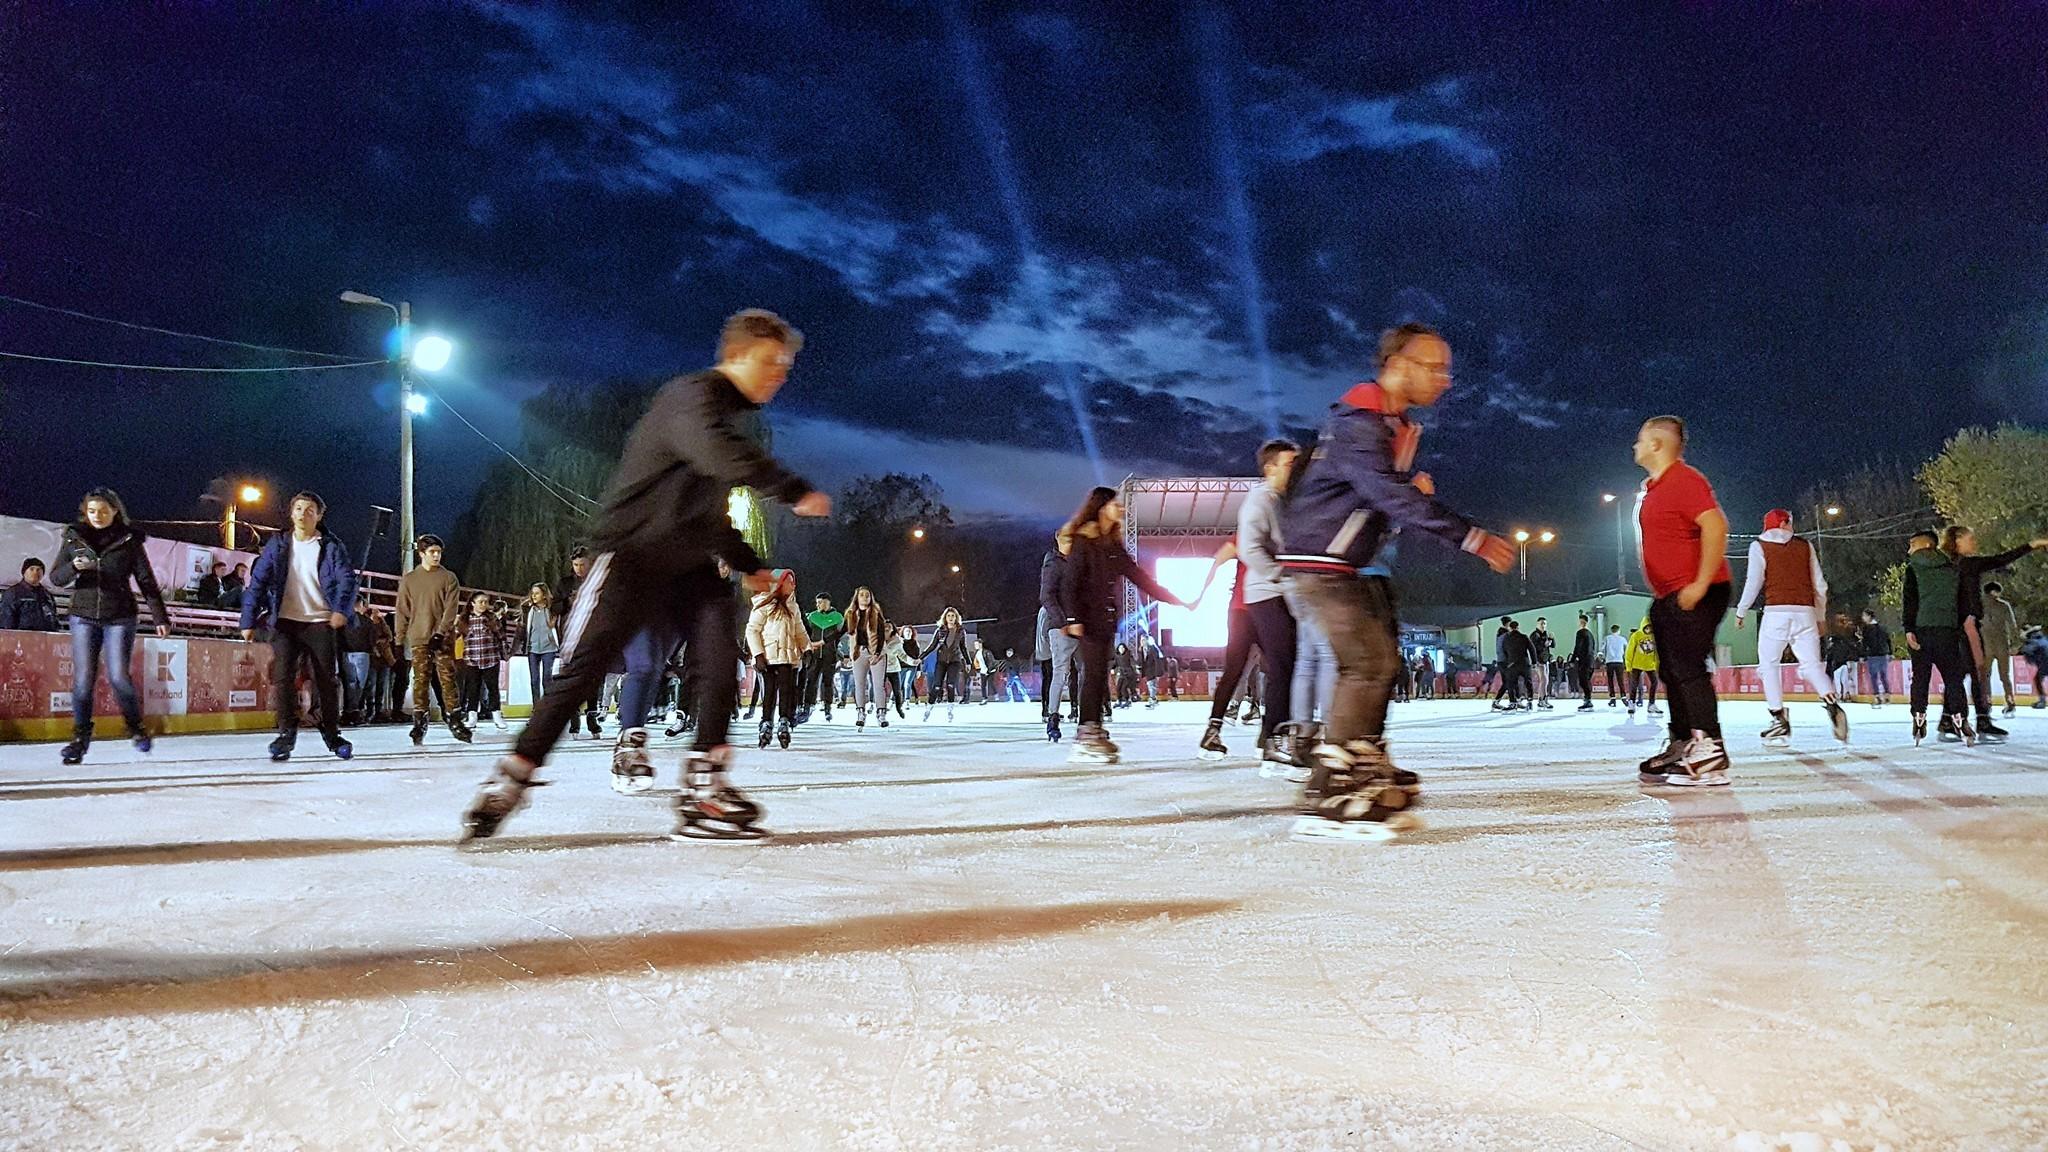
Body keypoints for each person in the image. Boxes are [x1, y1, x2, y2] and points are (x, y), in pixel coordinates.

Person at [463, 308, 830, 842]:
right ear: (739, 355)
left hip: (690, 566)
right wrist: (792, 488)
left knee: (720, 661)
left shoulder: (724, 417)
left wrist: (751, 566)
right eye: (773, 363)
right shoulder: (691, 398)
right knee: (584, 670)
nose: (780, 374)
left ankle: (705, 790)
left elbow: (706, 515)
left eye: (786, 367)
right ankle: (514, 774)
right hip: (631, 555)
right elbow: (717, 453)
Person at [1278, 322, 1514, 836]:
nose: (1445, 379)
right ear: (1396, 365)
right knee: (1365, 663)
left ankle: (1360, 761)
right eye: (1434, 367)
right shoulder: (1360, 422)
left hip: (1346, 561)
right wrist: (1467, 536)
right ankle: (1328, 790)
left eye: (1446, 369)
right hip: (1318, 561)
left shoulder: (1389, 424)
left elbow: (1378, 493)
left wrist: (1407, 486)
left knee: (1380, 662)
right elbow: (1383, 492)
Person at [1631, 416, 1733, 785]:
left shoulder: (1684, 480)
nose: (1635, 446)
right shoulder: (1655, 488)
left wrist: (1701, 583)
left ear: (1658, 444)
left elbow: (1716, 525)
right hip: (1670, 594)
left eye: (1641, 439)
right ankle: (1684, 741)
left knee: (1688, 666)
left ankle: (1711, 750)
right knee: (1672, 670)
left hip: (1699, 590)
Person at [1056, 487, 1192, 763]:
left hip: (1106, 619)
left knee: (1099, 675)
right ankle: (1085, 735)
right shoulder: (1085, 541)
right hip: (1088, 618)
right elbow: (1069, 584)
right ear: (1102, 506)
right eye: (1115, 504)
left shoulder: (1112, 544)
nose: (1121, 509)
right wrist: (1072, 619)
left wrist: (1174, 599)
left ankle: (1094, 728)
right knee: (1093, 675)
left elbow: (1139, 577)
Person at [49, 489, 170, 764]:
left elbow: (146, 581)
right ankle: (80, 739)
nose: (97, 516)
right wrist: (74, 568)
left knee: (118, 676)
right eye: (92, 511)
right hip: (83, 615)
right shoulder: (74, 537)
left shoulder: (128, 540)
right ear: (85, 512)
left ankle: (136, 728)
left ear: (115, 511)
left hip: (120, 615)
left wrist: (160, 617)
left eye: (103, 510)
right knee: (82, 681)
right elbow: (56, 578)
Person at [239, 491, 358, 763]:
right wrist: (247, 620)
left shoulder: (330, 546)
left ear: (319, 515)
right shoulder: (278, 544)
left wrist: (340, 610)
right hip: (286, 623)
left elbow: (347, 580)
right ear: (291, 513)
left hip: (320, 621)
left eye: (310, 510)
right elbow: (257, 581)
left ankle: (332, 734)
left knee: (325, 681)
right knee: (283, 678)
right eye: (299, 509)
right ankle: (285, 734)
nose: (304, 514)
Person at [1733, 508, 1848, 747]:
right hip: (1805, 613)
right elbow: (1820, 585)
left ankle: (1778, 718)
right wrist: (1819, 616)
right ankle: (1832, 705)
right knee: (1811, 665)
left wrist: (1742, 610)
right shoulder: (1805, 546)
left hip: (1776, 612)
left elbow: (1754, 581)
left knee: (1769, 664)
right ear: (1787, 523)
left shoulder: (1759, 546)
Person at [1947, 525, 2047, 738]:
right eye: (1970, 539)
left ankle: (1949, 720)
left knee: (1965, 672)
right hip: (1968, 625)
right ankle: (1980, 721)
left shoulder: (1949, 566)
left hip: (1958, 625)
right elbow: (2001, 559)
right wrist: (2033, 544)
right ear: (1957, 541)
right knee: (1977, 672)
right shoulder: (1967, 564)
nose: (1974, 543)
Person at [395, 534, 471, 746]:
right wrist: (399, 640)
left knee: (447, 678)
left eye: (438, 552)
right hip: (419, 636)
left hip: (442, 638)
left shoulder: (449, 578)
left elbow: (451, 609)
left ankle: (455, 718)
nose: (436, 556)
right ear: (422, 554)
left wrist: (441, 632)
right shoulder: (410, 580)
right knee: (420, 680)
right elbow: (402, 610)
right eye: (432, 552)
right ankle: (420, 720)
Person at [1903, 530, 1972, 745]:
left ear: (1925, 545)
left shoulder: (1913, 568)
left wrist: (1909, 628)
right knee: (1953, 678)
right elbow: (1962, 602)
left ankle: (1919, 716)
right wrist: (1956, 627)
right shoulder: (1952, 568)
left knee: (1921, 677)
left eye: (1912, 544)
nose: (1909, 549)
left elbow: (1910, 600)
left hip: (1921, 631)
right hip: (1947, 631)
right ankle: (1960, 719)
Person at [746, 569, 810, 749]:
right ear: (780, 584)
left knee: (787, 690)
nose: (793, 585)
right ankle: (766, 721)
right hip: (768, 657)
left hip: (787, 658)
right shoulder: (764, 604)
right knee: (769, 692)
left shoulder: (793, 607)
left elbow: (800, 631)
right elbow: (752, 630)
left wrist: (806, 649)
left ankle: (784, 720)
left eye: (793, 582)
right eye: (789, 581)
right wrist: (758, 654)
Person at [551, 549, 604, 739]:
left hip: (594, 634)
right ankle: (574, 721)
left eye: (582, 564)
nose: (579, 569)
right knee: (572, 676)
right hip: (570, 636)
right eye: (576, 565)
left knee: (593, 678)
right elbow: (554, 607)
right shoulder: (565, 583)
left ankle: (592, 718)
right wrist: (567, 601)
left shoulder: (599, 580)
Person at [1038, 543, 1075, 742]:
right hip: (1061, 626)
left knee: (1087, 672)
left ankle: (1087, 718)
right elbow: (1046, 597)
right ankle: (1053, 717)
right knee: (1060, 672)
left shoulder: (1078, 561)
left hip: (1080, 624)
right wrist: (1062, 622)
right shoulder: (1052, 564)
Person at [461, 594, 514, 732]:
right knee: (473, 688)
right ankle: (472, 715)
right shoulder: (465, 619)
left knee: (493, 688)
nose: (484, 604)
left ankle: (496, 715)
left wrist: (505, 654)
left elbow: (501, 637)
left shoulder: (491, 618)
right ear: (473, 603)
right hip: (471, 659)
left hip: (490, 658)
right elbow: (455, 635)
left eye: (486, 602)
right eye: (480, 602)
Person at [844, 586, 891, 731]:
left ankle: (881, 714)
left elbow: (882, 635)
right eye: (862, 595)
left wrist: (876, 654)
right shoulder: (851, 614)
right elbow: (842, 633)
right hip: (858, 653)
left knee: (878, 685)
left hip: (876, 653)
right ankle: (860, 713)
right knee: (860, 684)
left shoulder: (876, 613)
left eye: (867, 595)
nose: (865, 598)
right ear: (856, 598)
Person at [799, 593, 844, 724]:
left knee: (828, 682)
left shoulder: (838, 617)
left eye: (820, 602)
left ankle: (827, 707)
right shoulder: (812, 616)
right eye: (817, 602)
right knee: (811, 681)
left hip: (830, 655)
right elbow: (805, 633)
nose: (818, 605)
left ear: (828, 602)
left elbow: (841, 637)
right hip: (814, 655)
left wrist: (841, 655)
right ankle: (807, 707)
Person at [1979, 581, 2021, 718]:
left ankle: (1987, 703)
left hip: (1986, 646)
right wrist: (2015, 644)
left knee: (1985, 677)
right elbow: (2013, 625)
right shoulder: (2004, 606)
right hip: (2002, 645)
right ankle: (2010, 703)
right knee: (2005, 676)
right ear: (1994, 592)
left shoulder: (1979, 606)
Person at [925, 607, 971, 720]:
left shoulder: (961, 631)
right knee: (936, 686)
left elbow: (963, 648)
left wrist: (968, 662)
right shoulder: (940, 630)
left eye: (953, 616)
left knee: (951, 685)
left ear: (956, 618)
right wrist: (920, 657)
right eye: (949, 616)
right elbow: (932, 646)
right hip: (941, 661)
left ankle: (950, 710)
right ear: (945, 617)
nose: (951, 618)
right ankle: (929, 708)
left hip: (954, 661)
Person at [521, 583, 559, 706]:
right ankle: (536, 708)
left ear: (544, 595)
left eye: (537, 593)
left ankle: (547, 707)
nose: (534, 596)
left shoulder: (552, 609)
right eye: (532, 593)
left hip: (549, 648)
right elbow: (523, 629)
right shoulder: (528, 610)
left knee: (547, 678)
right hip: (533, 649)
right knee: (534, 680)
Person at [1, 558, 61, 632]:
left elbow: (54, 619)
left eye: (39, 569)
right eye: (31, 569)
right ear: (24, 572)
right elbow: (6, 622)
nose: (35, 572)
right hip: (22, 638)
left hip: (45, 639)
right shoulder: (13, 593)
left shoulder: (47, 595)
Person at [1624, 616, 1660, 716]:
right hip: (1637, 664)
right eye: (1647, 627)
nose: (1649, 629)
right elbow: (1629, 651)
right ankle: (1632, 703)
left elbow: (1657, 652)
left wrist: (1657, 664)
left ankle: (1651, 704)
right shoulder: (1636, 635)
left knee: (1654, 682)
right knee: (1634, 684)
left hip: (1650, 665)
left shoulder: (1655, 636)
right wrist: (1628, 665)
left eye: (1651, 627)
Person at [1858, 609, 1893, 707]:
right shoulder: (1883, 627)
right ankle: (1887, 696)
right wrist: (1890, 652)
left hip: (1873, 655)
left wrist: (1862, 655)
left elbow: (1865, 643)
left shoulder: (1867, 629)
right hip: (1883, 654)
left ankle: (1877, 696)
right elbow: (1888, 640)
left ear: (1869, 616)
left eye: (1864, 616)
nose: (1863, 618)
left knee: (1874, 676)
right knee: (1883, 675)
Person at [1824, 613, 1862, 703]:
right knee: (1844, 681)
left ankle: (1840, 695)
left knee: (1840, 681)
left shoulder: (1836, 645)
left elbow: (1830, 654)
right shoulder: (1843, 642)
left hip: (1838, 664)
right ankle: (1844, 695)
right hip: (1842, 663)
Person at [1498, 619, 1534, 712]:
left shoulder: (1507, 638)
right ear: (1518, 627)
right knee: (1528, 682)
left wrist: (1508, 660)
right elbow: (1532, 649)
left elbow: (1504, 650)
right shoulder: (1524, 637)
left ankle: (1513, 702)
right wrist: (1534, 661)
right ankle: (1530, 701)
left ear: (1510, 628)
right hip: (1524, 663)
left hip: (1512, 664)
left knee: (1510, 683)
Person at [888, 624, 920, 721]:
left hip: (911, 667)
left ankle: (907, 701)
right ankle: (891, 701)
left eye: (910, 631)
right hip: (900, 667)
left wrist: (919, 669)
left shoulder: (915, 643)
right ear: (903, 633)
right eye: (906, 631)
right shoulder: (899, 642)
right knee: (897, 685)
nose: (908, 633)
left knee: (907, 684)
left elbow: (917, 657)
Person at [1529, 617, 1556, 711]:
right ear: (1537, 624)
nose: (1543, 625)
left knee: (1546, 680)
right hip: (1539, 660)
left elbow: (1552, 645)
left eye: (1544, 623)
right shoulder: (1534, 635)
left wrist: (1552, 639)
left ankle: (1543, 699)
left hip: (1545, 660)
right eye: (1541, 623)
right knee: (1543, 679)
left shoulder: (1546, 634)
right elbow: (1533, 648)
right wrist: (1534, 661)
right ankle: (1542, 699)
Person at [1571, 614, 1597, 711]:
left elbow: (1577, 646)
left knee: (1583, 681)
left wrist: (1573, 659)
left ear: (1582, 622)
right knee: (1587, 680)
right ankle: (1587, 699)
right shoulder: (1590, 634)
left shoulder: (1580, 633)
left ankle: (1588, 700)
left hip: (1584, 660)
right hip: (1590, 660)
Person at [2021, 624, 2048, 709]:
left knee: (2037, 679)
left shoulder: (2033, 642)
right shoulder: (2044, 639)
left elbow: (2027, 653)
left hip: (2045, 664)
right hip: (2044, 663)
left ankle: (2042, 701)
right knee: (2037, 678)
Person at [1602, 624, 1628, 706]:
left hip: (1609, 661)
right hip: (1619, 661)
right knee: (1620, 680)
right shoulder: (1622, 639)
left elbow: (1602, 649)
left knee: (1610, 680)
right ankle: (1623, 697)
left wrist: (1602, 657)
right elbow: (1627, 649)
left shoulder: (1607, 638)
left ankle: (1612, 698)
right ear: (1618, 630)